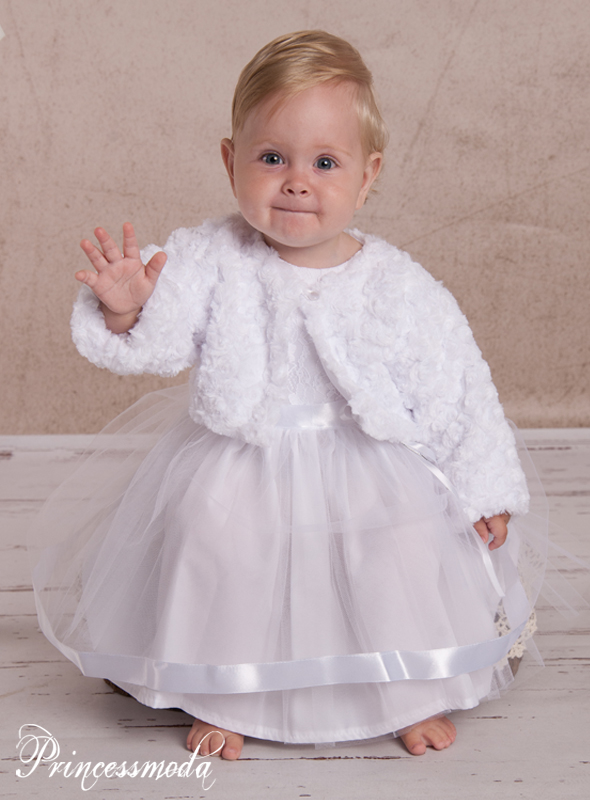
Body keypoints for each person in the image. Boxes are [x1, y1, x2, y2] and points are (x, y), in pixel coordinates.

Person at [31, 31, 547, 761]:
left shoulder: (397, 282)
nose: (297, 182)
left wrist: (482, 487)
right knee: (220, 542)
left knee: (395, 550)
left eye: (324, 163)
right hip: (244, 452)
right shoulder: (209, 256)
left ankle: (408, 690)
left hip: (366, 458)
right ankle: (225, 692)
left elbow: (457, 385)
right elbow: (161, 338)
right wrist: (127, 308)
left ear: (367, 176)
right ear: (230, 161)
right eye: (272, 158)